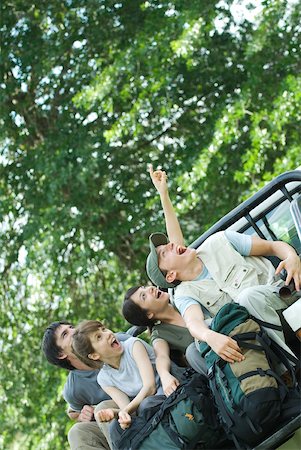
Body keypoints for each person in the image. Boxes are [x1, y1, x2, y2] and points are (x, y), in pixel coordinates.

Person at [145, 165, 301, 363]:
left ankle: (289, 366)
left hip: (283, 296)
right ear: (170, 276)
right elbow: (194, 324)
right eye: (164, 253)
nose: (172, 245)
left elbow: (272, 247)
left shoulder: (219, 241)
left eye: (168, 244)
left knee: (247, 297)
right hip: (257, 334)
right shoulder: (185, 294)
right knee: (199, 347)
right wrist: (211, 337)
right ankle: (289, 373)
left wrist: (291, 256)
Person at [42, 321, 130, 450]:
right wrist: (82, 416)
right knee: (76, 432)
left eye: (71, 327)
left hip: (139, 398)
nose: (74, 331)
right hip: (118, 421)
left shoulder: (110, 341)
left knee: (102, 408)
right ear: (61, 354)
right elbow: (74, 412)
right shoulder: (73, 389)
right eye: (65, 334)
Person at [71, 320, 164, 432]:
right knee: (116, 428)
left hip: (168, 388)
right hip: (150, 406)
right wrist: (116, 414)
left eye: (104, 329)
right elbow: (128, 408)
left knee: (146, 406)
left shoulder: (133, 346)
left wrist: (125, 412)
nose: (108, 333)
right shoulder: (104, 379)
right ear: (94, 355)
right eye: (99, 337)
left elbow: (150, 388)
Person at [122, 285, 207, 395]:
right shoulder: (160, 333)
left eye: (144, 287)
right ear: (149, 314)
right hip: (214, 358)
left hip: (229, 329)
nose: (150, 289)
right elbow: (161, 356)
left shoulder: (181, 295)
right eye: (144, 296)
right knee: (192, 352)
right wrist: (165, 375)